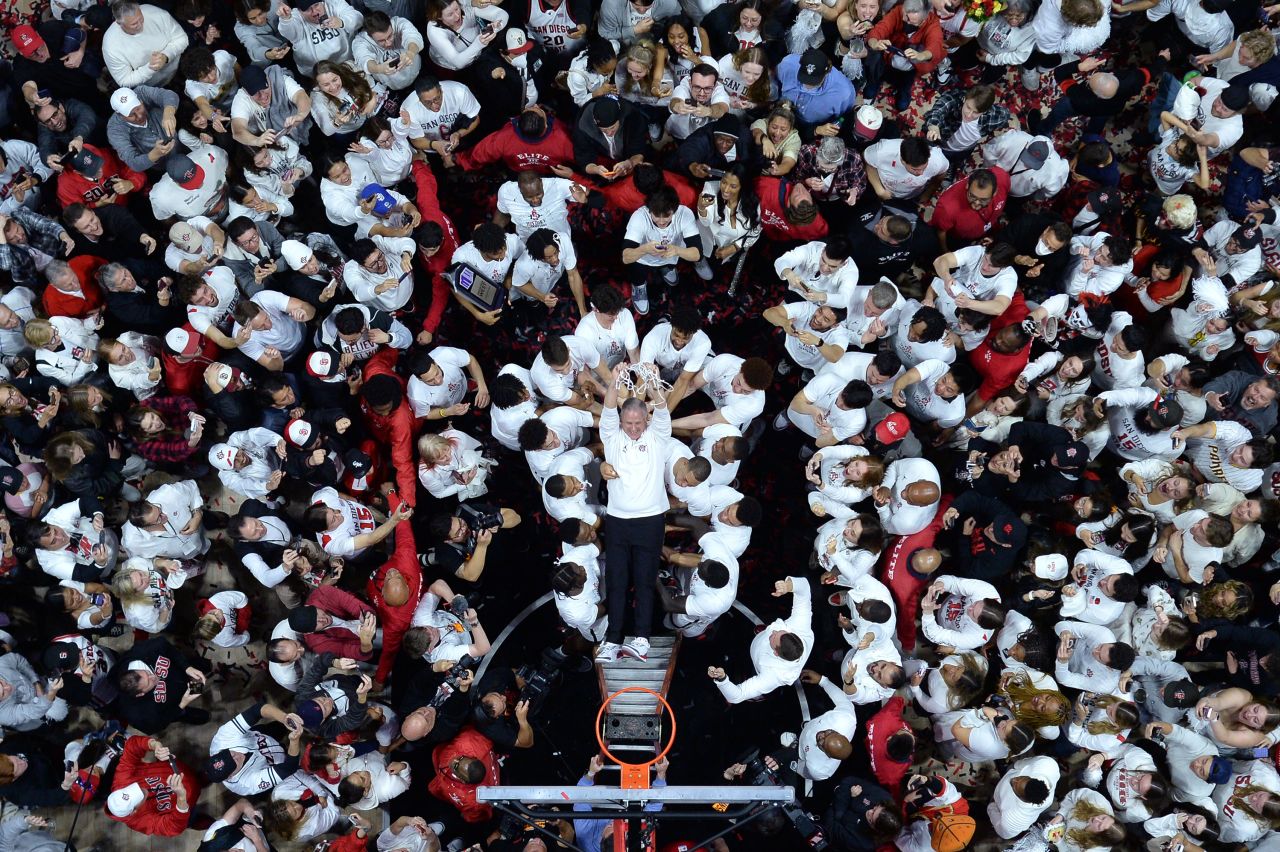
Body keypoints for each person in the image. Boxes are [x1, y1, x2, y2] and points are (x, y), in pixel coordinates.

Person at [595, 363, 671, 663]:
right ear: (622, 421)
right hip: (617, 521)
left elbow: (662, 407)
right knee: (616, 580)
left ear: (646, 420)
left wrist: (652, 382)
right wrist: (614, 382)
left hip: (651, 521)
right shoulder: (612, 437)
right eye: (629, 423)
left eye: (639, 423)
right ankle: (613, 640)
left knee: (644, 580)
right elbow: (609, 406)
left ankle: (641, 639)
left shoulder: (658, 436)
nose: (634, 428)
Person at [708, 576, 813, 703]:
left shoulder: (773, 676)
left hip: (754, 665)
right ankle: (761, 635)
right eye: (779, 632)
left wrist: (722, 680)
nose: (773, 631)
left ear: (775, 653)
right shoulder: (801, 627)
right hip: (758, 639)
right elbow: (805, 587)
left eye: (772, 637)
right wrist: (788, 586)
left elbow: (736, 696)